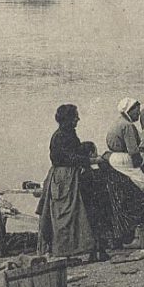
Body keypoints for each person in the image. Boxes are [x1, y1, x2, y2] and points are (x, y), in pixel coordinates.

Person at [36, 104, 109, 262]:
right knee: (66, 213)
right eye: (75, 116)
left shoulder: (68, 133)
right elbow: (67, 158)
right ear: (67, 119)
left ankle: (75, 249)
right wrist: (92, 160)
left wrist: (85, 148)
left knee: (74, 212)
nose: (78, 119)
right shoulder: (61, 136)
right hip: (64, 178)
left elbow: (73, 152)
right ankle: (66, 250)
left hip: (69, 175)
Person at [103, 98, 144, 245]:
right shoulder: (128, 126)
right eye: (137, 109)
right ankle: (141, 228)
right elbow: (134, 153)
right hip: (124, 160)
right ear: (129, 110)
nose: (139, 113)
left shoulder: (118, 122)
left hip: (114, 159)